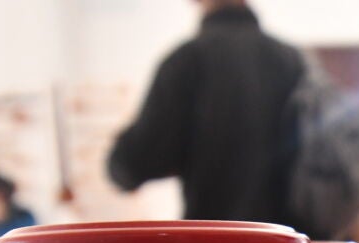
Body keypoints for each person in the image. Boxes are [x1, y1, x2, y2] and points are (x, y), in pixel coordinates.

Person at [107, 0, 304, 223]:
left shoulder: (187, 61)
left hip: (213, 236)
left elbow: (132, 165)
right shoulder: (294, 61)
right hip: (287, 239)